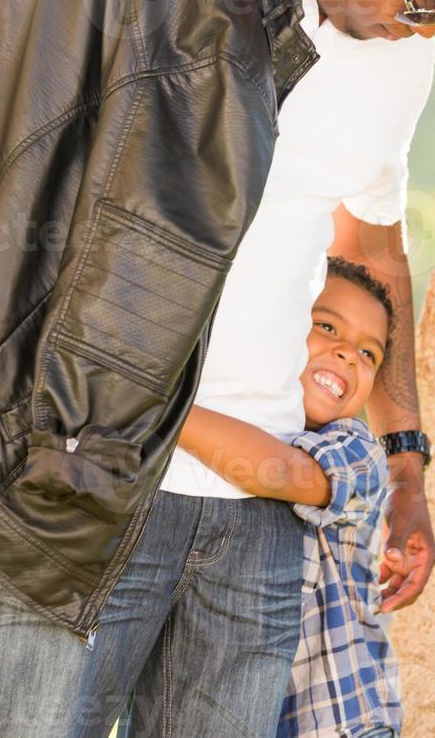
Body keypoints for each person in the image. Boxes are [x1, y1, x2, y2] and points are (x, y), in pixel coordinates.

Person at [0, 0, 435, 737]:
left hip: (261, 522)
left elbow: (372, 249)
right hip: (96, 485)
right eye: (425, 4)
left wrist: (407, 470)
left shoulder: (397, 63)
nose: (427, 34)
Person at [169, 255, 406, 738]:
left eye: (368, 354)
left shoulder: (358, 452)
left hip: (338, 717)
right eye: (326, 326)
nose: (347, 355)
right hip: (230, 698)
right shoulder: (237, 413)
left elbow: (272, 470)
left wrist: (149, 405)